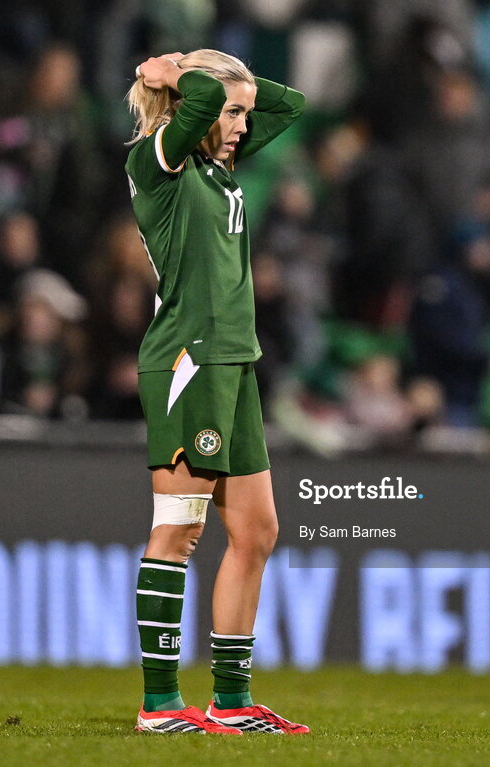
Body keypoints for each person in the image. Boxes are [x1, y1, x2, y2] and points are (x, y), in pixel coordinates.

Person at [124, 50, 308, 735]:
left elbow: (289, 105)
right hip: (187, 360)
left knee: (257, 532)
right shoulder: (159, 158)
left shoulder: (217, 157)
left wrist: (239, 90)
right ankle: (159, 701)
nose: (240, 126)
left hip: (236, 362)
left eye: (241, 116)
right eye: (228, 113)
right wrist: (173, 79)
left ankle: (230, 696)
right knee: (178, 530)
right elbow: (199, 104)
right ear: (188, 105)